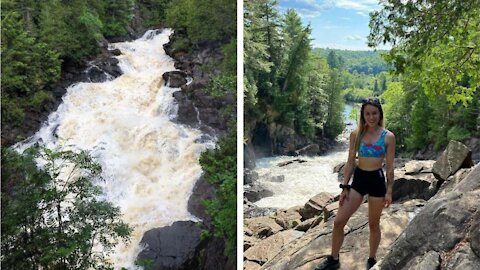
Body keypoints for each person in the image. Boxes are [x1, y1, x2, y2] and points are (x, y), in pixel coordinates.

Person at [315, 97, 395, 270]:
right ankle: (334, 259)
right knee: (338, 222)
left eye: (374, 113)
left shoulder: (388, 137)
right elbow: (350, 162)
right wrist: (344, 187)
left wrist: (389, 191)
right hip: (359, 180)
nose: (371, 117)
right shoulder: (356, 134)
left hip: (376, 181)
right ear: (363, 115)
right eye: (367, 113)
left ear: (379, 114)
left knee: (374, 224)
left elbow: (389, 167)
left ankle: (372, 259)